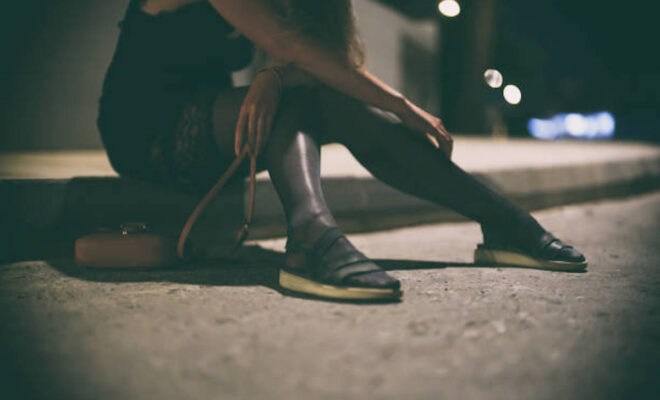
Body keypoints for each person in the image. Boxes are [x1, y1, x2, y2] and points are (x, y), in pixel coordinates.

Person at [97, 0, 587, 301]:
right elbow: (290, 45)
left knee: (321, 100)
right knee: (305, 98)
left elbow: (311, 64)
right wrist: (403, 106)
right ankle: (310, 239)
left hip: (224, 131)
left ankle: (499, 221)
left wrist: (275, 75)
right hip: (149, 132)